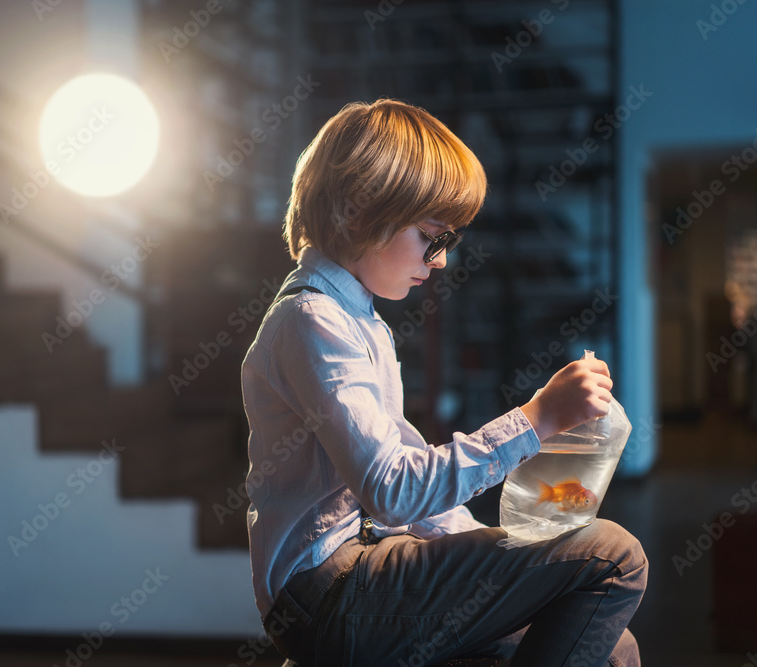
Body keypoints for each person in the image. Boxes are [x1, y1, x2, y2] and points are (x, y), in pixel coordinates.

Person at [239, 99, 647, 667]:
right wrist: (537, 419)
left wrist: (506, 553)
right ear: (361, 213)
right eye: (433, 237)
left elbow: (407, 484)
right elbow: (393, 490)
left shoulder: (355, 319)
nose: (441, 262)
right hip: (328, 594)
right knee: (615, 556)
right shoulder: (313, 321)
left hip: (364, 570)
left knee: (612, 645)